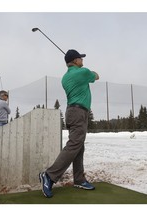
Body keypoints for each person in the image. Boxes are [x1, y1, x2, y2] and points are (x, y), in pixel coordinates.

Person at [39, 49, 99, 198]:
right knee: (74, 145)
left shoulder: (65, 77)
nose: (83, 61)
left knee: (79, 146)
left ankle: (79, 179)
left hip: (72, 112)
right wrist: (88, 71)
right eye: (81, 59)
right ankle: (49, 175)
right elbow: (96, 76)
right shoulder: (83, 72)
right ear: (75, 61)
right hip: (78, 113)